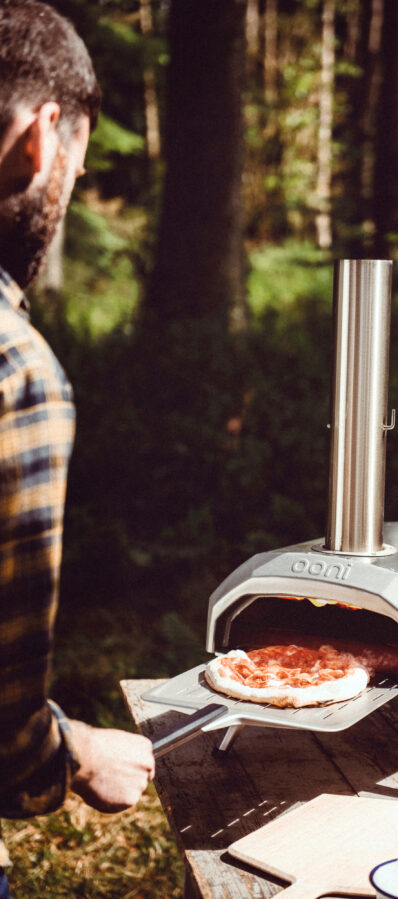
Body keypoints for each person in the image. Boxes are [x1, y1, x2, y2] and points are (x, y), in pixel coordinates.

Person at [0, 1, 155, 893]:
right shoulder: (17, 372)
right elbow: (4, 740)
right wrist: (76, 751)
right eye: (76, 165)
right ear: (40, 138)